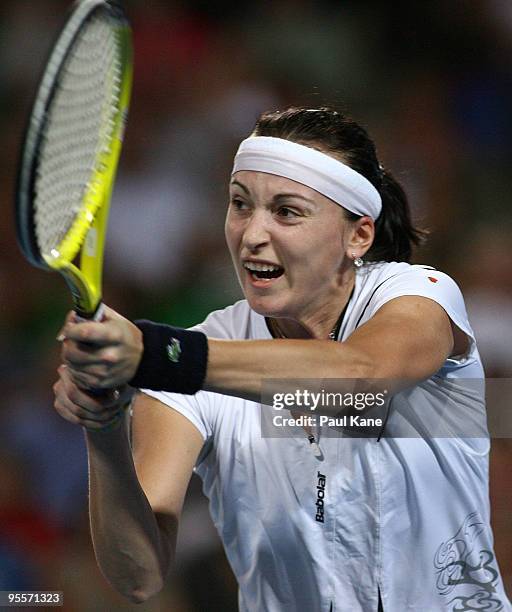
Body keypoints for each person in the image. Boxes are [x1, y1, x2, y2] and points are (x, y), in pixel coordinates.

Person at [53, 107, 511, 612]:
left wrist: (160, 353)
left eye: (287, 212)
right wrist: (104, 428)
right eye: (240, 204)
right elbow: (138, 576)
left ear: (358, 234)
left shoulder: (419, 295)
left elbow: (361, 375)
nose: (251, 236)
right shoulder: (194, 358)